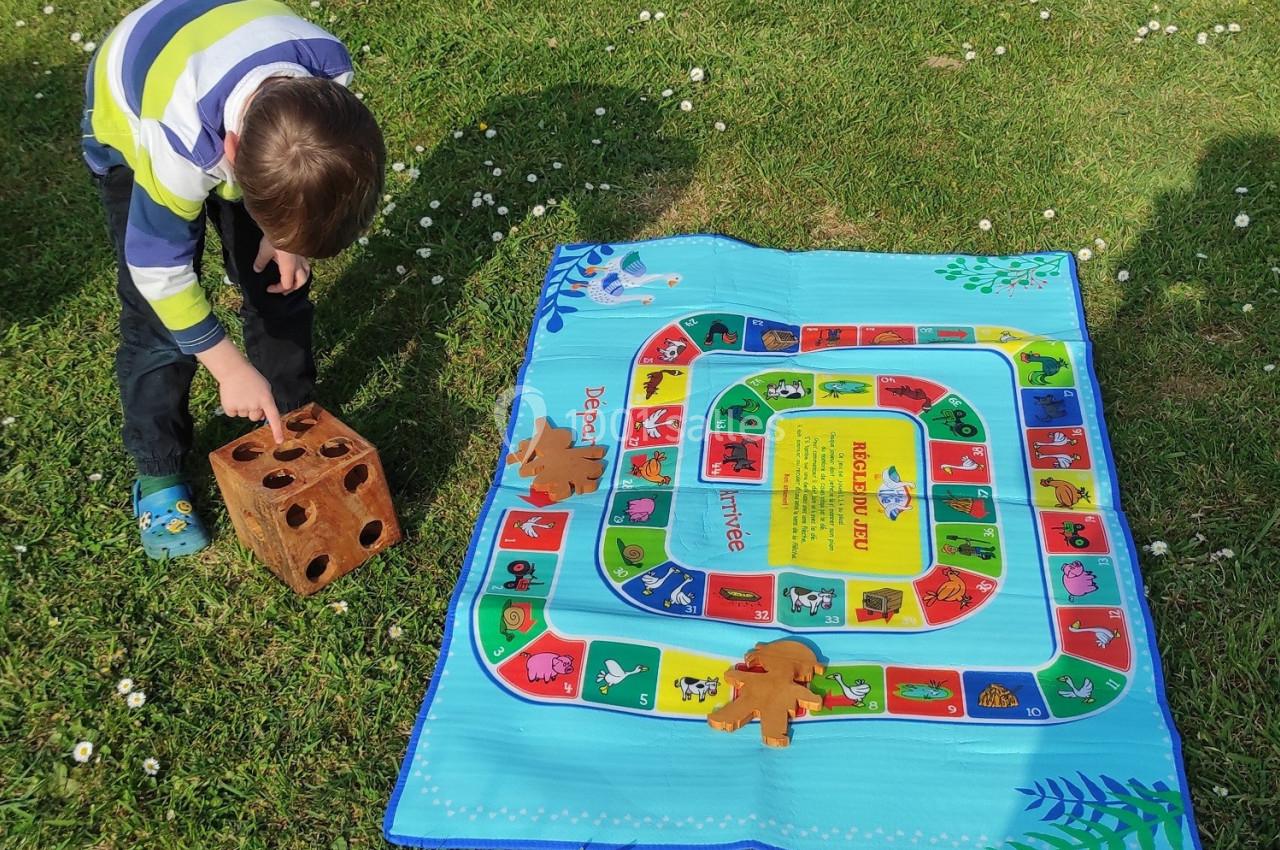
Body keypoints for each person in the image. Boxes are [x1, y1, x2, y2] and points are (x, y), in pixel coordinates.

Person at [82, 0, 385, 558]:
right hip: (135, 122)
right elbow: (160, 274)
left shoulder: (331, 78)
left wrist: (289, 238)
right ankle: (159, 472)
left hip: (234, 101)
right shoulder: (176, 146)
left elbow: (307, 173)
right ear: (234, 155)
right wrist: (226, 365)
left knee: (278, 283)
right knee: (157, 327)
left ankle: (293, 417)